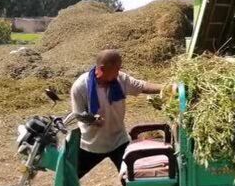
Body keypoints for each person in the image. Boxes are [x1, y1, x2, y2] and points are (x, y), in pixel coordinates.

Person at [70, 49, 165, 179]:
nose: (119, 72)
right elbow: (79, 115)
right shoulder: (81, 86)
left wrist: (167, 88)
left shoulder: (120, 80)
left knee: (131, 179)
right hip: (92, 144)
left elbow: (142, 86)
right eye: (116, 68)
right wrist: (93, 120)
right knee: (70, 178)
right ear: (102, 69)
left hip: (119, 141)